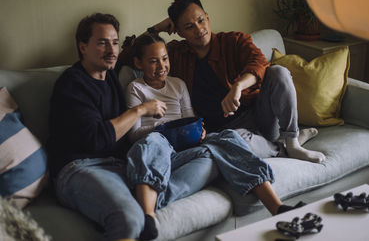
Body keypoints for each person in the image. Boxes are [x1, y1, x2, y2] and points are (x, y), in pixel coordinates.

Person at [46, 13, 217, 241]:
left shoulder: (111, 78)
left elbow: (140, 51)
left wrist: (156, 28)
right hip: (80, 168)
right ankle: (143, 206)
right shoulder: (72, 84)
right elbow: (98, 139)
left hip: (118, 165)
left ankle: (148, 198)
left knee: (208, 157)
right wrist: (140, 110)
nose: (111, 49)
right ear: (83, 47)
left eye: (114, 43)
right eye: (102, 42)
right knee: (130, 220)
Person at [123, 33, 307, 240]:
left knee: (226, 137)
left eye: (164, 59)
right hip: (159, 145)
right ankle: (147, 217)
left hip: (187, 147)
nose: (161, 66)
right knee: (151, 141)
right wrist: (159, 126)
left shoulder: (178, 84)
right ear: (138, 63)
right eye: (153, 61)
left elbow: (190, 118)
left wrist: (199, 130)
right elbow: (133, 136)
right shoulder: (136, 88)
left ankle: (278, 208)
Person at [145, 0, 326, 163]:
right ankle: (281, 147)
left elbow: (260, 63)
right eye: (189, 27)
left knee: (279, 72)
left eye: (200, 20)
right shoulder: (176, 54)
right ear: (179, 32)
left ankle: (292, 144)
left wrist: (238, 86)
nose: (199, 29)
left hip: (260, 117)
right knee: (231, 143)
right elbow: (132, 56)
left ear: (207, 17)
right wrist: (155, 29)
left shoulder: (233, 41)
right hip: (224, 132)